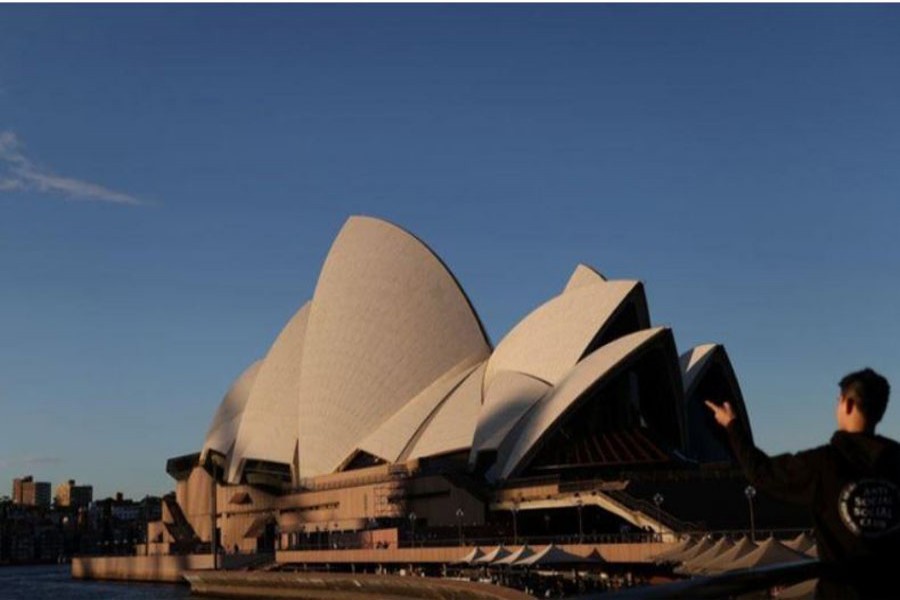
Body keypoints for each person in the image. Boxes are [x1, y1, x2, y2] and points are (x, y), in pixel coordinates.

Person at [706, 367, 900, 599]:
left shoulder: (824, 463)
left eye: (838, 401)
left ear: (847, 404)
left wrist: (732, 425)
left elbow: (762, 472)